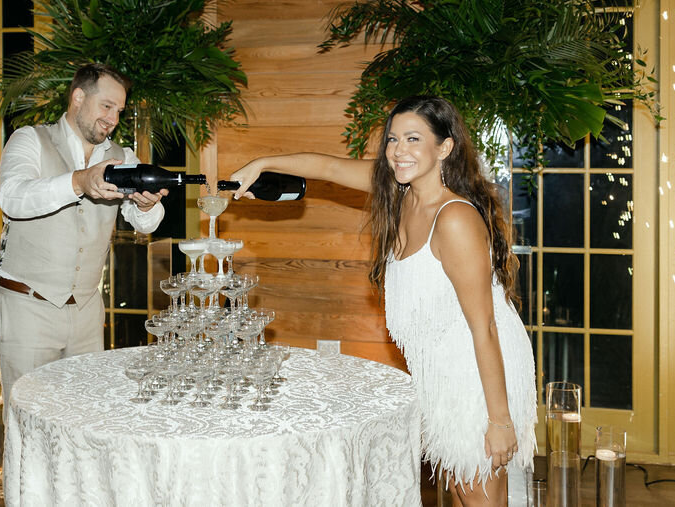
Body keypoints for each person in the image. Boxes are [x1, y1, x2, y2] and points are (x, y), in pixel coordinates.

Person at [229, 96, 536, 506]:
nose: (399, 151)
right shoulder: (400, 192)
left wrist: (499, 420)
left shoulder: (455, 219)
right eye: (393, 139)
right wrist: (263, 163)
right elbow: (329, 168)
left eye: (413, 138)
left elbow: (485, 327)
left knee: (479, 496)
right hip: (441, 368)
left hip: (477, 373)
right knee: (463, 492)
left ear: (444, 148)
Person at [0, 63, 168, 399]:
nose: (113, 119)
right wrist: (78, 181)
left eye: (119, 110)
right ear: (77, 97)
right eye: (106, 106)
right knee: (28, 423)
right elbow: (12, 197)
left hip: (87, 312)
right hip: (28, 309)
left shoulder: (122, 157)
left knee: (85, 420)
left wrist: (145, 205)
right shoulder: (30, 139)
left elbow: (145, 223)